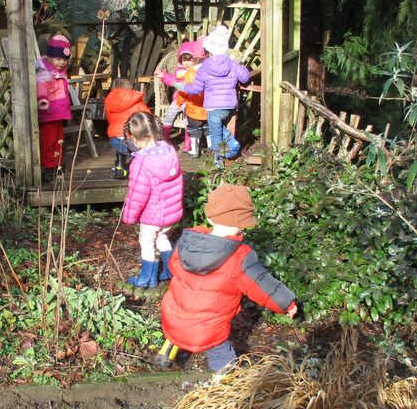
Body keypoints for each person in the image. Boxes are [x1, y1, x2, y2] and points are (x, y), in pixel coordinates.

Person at [157, 182, 297, 373]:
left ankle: (165, 353)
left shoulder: (187, 241)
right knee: (220, 352)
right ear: (243, 224)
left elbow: (174, 267)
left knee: (179, 329)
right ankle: (225, 381)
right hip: (207, 330)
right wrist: (287, 303)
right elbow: (262, 285)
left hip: (171, 318)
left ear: (208, 216)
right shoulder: (240, 257)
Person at [160, 25, 250, 168]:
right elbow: (245, 77)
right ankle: (231, 143)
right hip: (230, 105)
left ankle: (218, 162)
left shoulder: (204, 68)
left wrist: (180, 86)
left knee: (215, 134)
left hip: (213, 107)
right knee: (220, 127)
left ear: (208, 51)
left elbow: (195, 89)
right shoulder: (232, 64)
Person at [121, 111, 184, 287]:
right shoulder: (170, 152)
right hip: (171, 213)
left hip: (152, 215)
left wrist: (129, 217)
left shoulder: (141, 163)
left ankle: (147, 278)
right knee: (162, 237)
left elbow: (137, 195)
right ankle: (170, 271)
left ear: (134, 139)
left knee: (147, 242)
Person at [35, 34, 72, 184]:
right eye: (58, 59)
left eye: (64, 60)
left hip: (58, 113)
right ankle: (48, 168)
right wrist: (42, 99)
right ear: (49, 57)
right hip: (49, 112)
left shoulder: (58, 69)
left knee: (58, 140)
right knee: (48, 141)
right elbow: (41, 85)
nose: (61, 63)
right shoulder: (44, 70)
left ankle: (57, 164)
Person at [159, 40, 206, 153]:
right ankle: (165, 139)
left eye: (189, 59)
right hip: (178, 99)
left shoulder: (198, 71)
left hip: (191, 102)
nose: (186, 62)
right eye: (184, 59)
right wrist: (163, 75)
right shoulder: (179, 71)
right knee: (169, 115)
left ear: (195, 59)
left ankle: (187, 143)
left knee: (188, 122)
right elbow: (172, 81)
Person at [103, 78, 151, 180]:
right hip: (132, 140)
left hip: (115, 139)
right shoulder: (136, 100)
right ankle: (137, 171)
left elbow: (109, 119)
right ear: (130, 88)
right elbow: (148, 117)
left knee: (120, 138)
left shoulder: (108, 100)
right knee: (139, 153)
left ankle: (119, 166)